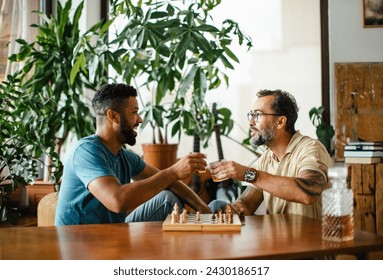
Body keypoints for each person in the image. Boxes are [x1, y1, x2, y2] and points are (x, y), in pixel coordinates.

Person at [55, 83, 210, 225]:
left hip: (112, 234)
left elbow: (169, 182)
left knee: (168, 199)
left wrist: (202, 207)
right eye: (134, 112)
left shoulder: (124, 156)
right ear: (113, 116)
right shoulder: (85, 151)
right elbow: (117, 200)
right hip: (81, 245)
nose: (140, 119)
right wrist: (173, 172)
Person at [209, 89, 333, 220]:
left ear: (280, 121)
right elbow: (246, 204)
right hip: (277, 239)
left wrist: (247, 174)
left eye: (257, 115)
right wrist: (235, 209)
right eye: (250, 115)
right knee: (216, 205)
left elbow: (309, 192)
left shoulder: (310, 148)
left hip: (312, 239)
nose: (251, 122)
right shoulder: (265, 159)